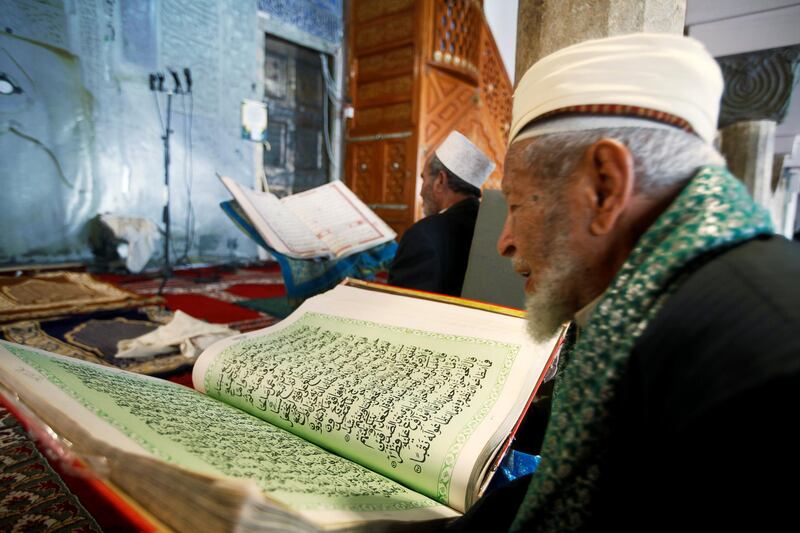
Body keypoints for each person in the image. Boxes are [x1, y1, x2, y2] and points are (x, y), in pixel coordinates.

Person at [451, 33, 800, 531]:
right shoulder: (655, 305)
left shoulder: (765, 363)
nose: (505, 241)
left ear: (605, 186)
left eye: (519, 203)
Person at [388, 131, 495, 296]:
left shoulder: (423, 235)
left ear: (440, 180)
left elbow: (400, 307)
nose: (421, 191)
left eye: (424, 179)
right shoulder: (493, 227)